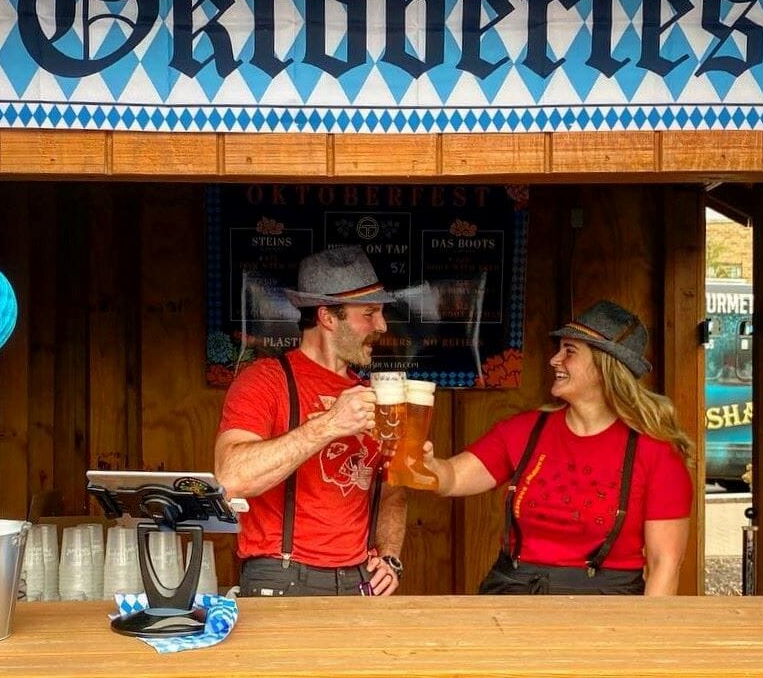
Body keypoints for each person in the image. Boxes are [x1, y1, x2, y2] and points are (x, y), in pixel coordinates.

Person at [423, 299, 693, 595]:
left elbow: (664, 564)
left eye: (570, 351)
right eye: (559, 348)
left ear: (605, 366)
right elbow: (452, 477)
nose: (554, 360)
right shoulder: (525, 430)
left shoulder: (657, 453)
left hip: (607, 607)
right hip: (514, 595)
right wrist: (425, 465)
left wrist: (646, 638)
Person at [215, 246, 408, 597]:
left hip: (358, 581)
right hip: (281, 576)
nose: (381, 325)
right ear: (328, 318)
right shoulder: (265, 380)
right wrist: (330, 424)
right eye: (369, 314)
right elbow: (231, 478)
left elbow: (393, 490)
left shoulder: (374, 394)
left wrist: (391, 557)